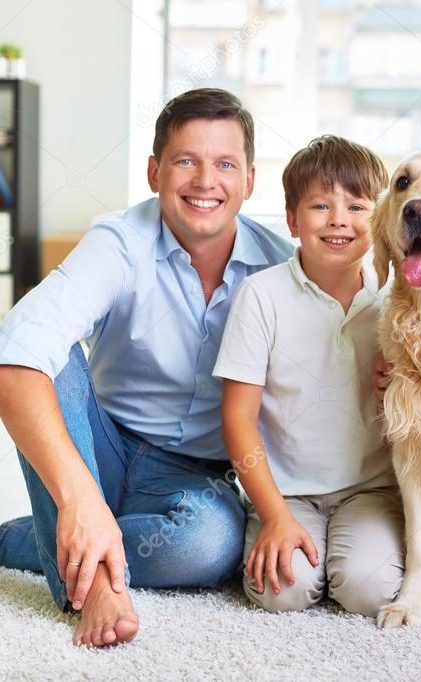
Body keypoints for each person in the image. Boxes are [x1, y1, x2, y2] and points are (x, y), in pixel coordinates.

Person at [0, 88, 293, 646]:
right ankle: (99, 579)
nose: (206, 182)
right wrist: (82, 498)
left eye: (225, 164)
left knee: (210, 547)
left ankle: (26, 541)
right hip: (100, 447)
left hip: (193, 478)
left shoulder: (279, 267)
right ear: (156, 171)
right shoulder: (119, 240)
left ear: (249, 181)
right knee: (41, 350)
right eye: (186, 161)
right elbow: (14, 351)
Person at [214, 135, 403, 616]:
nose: (339, 220)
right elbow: (238, 418)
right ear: (293, 220)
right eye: (320, 205)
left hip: (373, 489)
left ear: (379, 218)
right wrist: (274, 516)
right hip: (285, 491)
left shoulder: (397, 298)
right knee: (284, 592)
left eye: (358, 206)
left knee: (367, 590)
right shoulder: (261, 295)